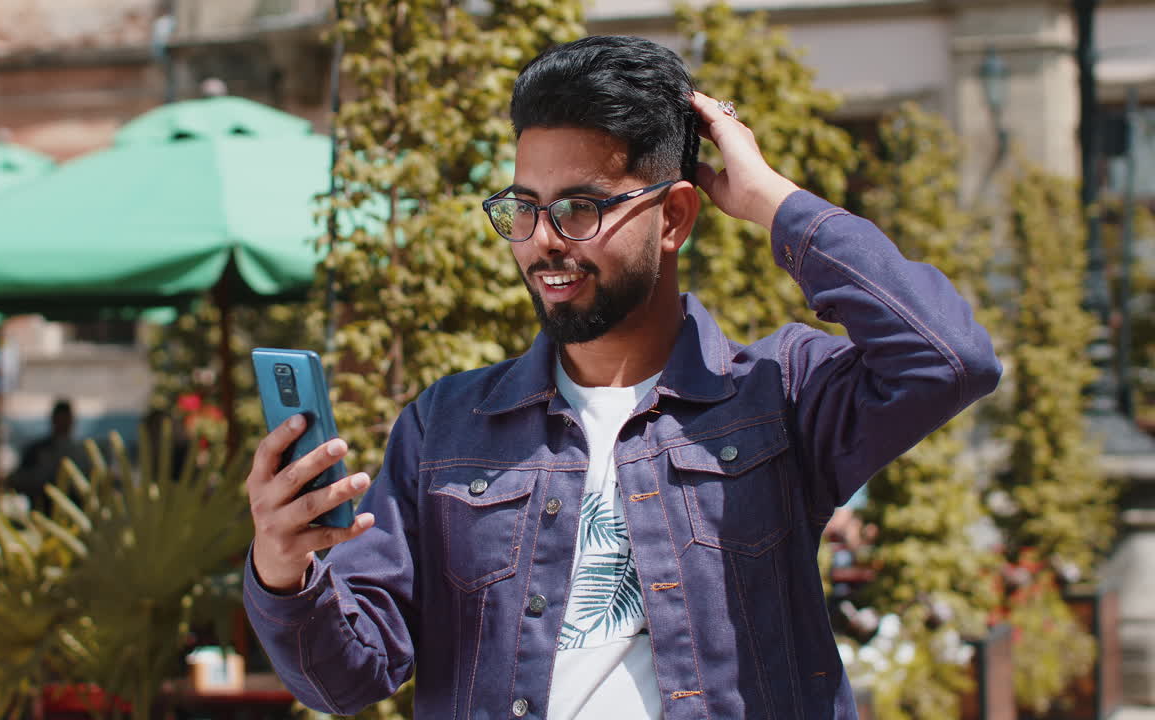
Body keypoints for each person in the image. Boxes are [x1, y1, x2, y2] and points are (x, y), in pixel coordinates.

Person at [242, 36, 1001, 719]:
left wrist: (770, 199)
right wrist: (284, 571)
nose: (543, 242)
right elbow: (348, 678)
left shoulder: (778, 394)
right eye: (524, 209)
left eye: (579, 209)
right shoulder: (447, 427)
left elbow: (948, 359)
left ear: (673, 218)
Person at [10, 398, 76, 513]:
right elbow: (16, 480)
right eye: (61, 419)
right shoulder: (36, 450)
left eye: (67, 420)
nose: (64, 424)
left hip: (74, 509)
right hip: (42, 510)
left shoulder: (80, 451)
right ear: (53, 419)